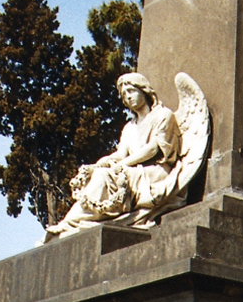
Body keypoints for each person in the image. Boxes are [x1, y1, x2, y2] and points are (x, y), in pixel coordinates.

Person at [46, 72, 182, 236]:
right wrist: (99, 164)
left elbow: (153, 148)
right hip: (132, 169)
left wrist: (121, 165)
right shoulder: (129, 127)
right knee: (100, 173)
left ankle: (70, 223)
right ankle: (72, 222)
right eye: (124, 95)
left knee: (106, 176)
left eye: (131, 91)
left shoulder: (163, 115)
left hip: (155, 172)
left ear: (144, 90)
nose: (128, 97)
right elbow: (120, 154)